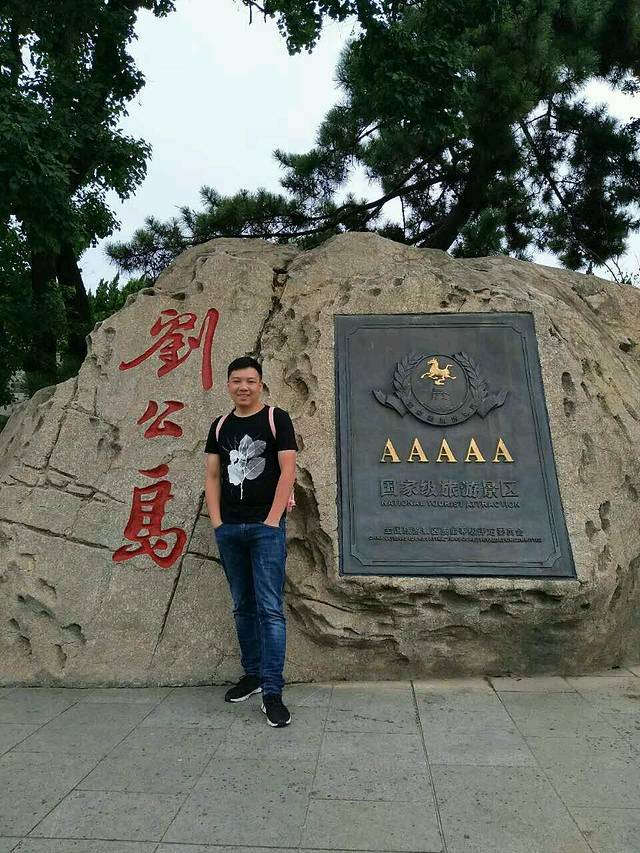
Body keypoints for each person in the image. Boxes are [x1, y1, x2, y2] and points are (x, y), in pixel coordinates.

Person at [204, 356, 297, 727]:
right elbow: (213, 475)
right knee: (242, 606)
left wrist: (272, 520)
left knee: (270, 608)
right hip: (230, 529)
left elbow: (288, 470)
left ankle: (273, 691)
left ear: (260, 384)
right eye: (236, 381)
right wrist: (217, 522)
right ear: (228, 384)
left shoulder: (277, 419)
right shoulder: (220, 426)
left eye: (250, 381)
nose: (243, 387)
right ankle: (253, 674)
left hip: (265, 529)